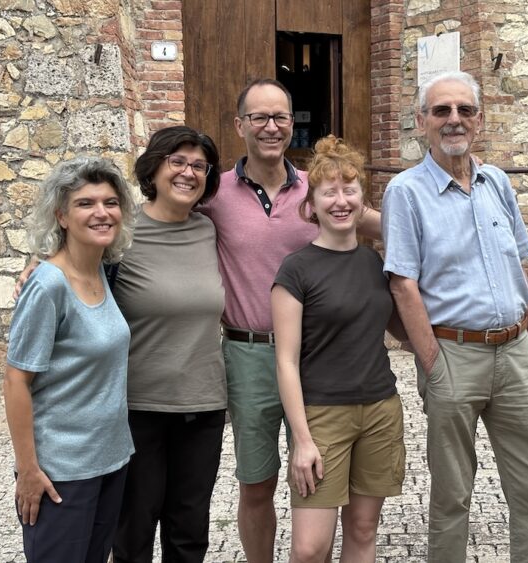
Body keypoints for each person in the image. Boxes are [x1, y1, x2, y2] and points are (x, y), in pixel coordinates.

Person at [196, 78, 382, 563]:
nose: (271, 126)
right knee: (257, 484)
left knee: (321, 474)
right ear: (240, 125)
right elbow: (150, 220)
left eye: (281, 116)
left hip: (320, 358)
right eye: (259, 117)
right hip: (250, 354)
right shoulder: (215, 194)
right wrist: (54, 255)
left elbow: (391, 226)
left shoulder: (317, 189)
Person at [381, 70, 528, 563]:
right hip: (452, 354)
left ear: (480, 120)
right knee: (453, 494)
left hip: (515, 353)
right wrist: (433, 366)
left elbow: (516, 272)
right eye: (441, 110)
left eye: (465, 110)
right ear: (422, 121)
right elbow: (402, 284)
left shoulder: (496, 182)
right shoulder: (405, 192)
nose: (454, 119)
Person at [271, 136, 407, 563]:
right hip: (323, 416)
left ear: (363, 200)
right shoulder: (296, 270)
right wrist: (302, 440)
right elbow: (286, 361)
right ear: (311, 205)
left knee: (363, 530)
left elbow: (399, 325)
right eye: (329, 192)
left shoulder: (376, 263)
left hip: (380, 409)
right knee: (310, 549)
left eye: (350, 190)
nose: (341, 201)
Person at [4, 156, 136, 562]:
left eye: (110, 202)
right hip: (61, 471)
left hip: (109, 460)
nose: (102, 212)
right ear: (61, 216)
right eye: (85, 203)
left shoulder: (102, 270)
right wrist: (28, 470)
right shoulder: (48, 286)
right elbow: (15, 381)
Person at [106, 126, 225, 563]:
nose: (188, 173)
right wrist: (37, 264)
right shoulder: (119, 231)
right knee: (134, 529)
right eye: (177, 161)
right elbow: (71, 267)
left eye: (199, 166)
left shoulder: (210, 229)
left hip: (204, 405)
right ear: (154, 168)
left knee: (189, 532)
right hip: (138, 408)